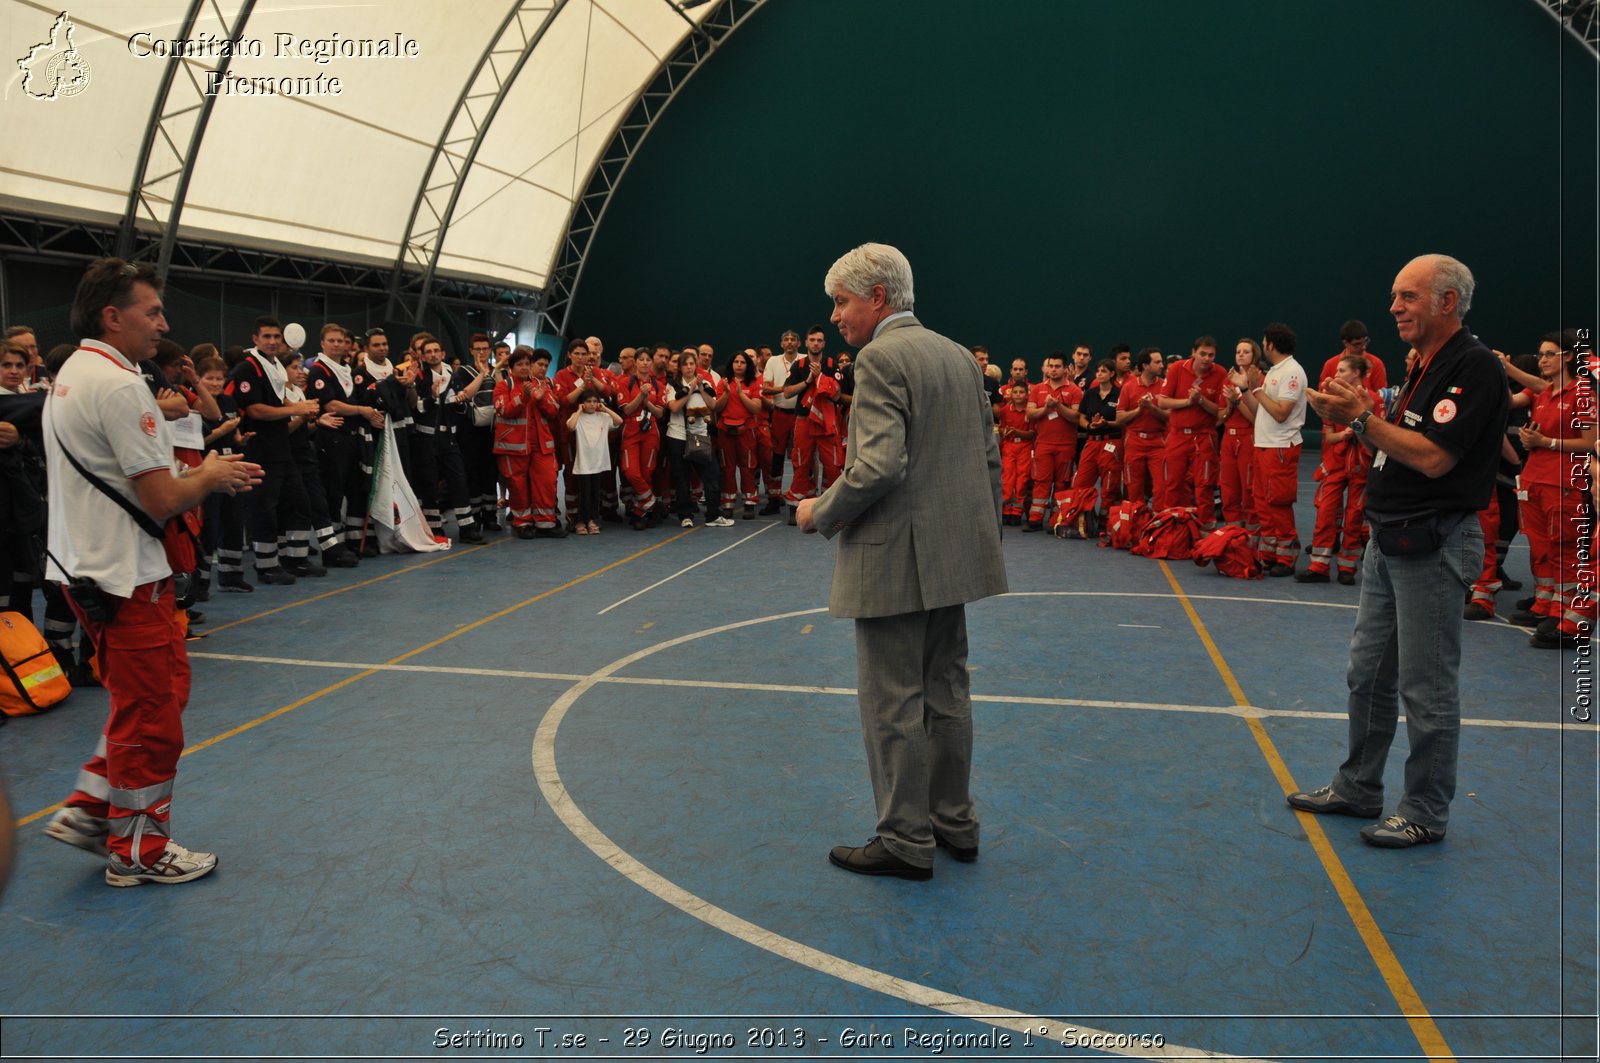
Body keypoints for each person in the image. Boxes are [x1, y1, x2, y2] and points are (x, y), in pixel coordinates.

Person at [41, 258, 261, 886]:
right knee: (153, 714)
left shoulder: (76, 373)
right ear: (112, 316)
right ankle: (138, 850)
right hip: (121, 576)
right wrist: (211, 475)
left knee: (161, 692)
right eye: (152, 311)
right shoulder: (117, 385)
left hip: (94, 567)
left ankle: (91, 810)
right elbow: (163, 497)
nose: (163, 324)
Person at [796, 243, 1006, 881]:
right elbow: (989, 460)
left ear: (878, 297)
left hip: (894, 560)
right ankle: (953, 821)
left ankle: (905, 840)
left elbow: (880, 465)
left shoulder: (879, 358)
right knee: (947, 693)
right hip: (954, 554)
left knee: (892, 703)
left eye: (842, 301)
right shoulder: (957, 357)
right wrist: (979, 538)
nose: (836, 316)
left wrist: (819, 511)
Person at [1293, 254, 1508, 848]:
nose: (1394, 307)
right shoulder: (1424, 365)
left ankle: (1426, 810)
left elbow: (1436, 457)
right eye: (1395, 295)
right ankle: (1359, 786)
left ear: (1446, 302)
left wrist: (1360, 418)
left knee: (1426, 687)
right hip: (1389, 541)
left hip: (1434, 543)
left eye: (1407, 297)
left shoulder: (1475, 368)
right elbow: (1402, 440)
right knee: (1367, 675)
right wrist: (1359, 414)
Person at [1234, 323, 1307, 576]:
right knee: (1262, 502)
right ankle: (1268, 554)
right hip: (1264, 445)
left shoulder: (1292, 372)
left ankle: (1286, 558)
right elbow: (1260, 410)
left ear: (1271, 345)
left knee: (1278, 503)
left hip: (1280, 448)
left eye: (1264, 342)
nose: (1262, 346)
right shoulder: (1276, 370)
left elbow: (1280, 413)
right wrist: (1245, 390)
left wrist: (1255, 387)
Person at [1155, 336, 1225, 524]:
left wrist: (1201, 400)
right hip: (1177, 435)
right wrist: (1187, 402)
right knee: (1173, 484)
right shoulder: (1178, 368)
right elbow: (1162, 401)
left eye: (1211, 355)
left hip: (1204, 436)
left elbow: (1220, 411)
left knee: (1204, 486)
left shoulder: (1220, 373)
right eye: (1202, 354)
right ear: (1193, 353)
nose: (1207, 358)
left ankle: (1205, 530)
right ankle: (1172, 527)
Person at [1024, 352, 1082, 530]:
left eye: (1057, 366)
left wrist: (1058, 406)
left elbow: (1076, 417)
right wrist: (1046, 408)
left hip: (1066, 445)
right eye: (1051, 366)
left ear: (1065, 369)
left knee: (1062, 483)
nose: (1053, 370)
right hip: (1043, 444)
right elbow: (1030, 413)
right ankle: (1035, 518)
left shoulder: (1074, 390)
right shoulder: (1037, 389)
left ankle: (1056, 520)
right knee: (1041, 481)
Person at [1217, 339, 1260, 535]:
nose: (1241, 355)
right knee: (1228, 489)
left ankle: (1251, 535)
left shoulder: (1258, 380)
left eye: (1246, 351)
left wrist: (1238, 402)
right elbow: (1221, 417)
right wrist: (1228, 406)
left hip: (1248, 438)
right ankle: (1232, 534)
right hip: (1228, 437)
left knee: (1248, 488)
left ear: (1255, 355)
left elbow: (1256, 418)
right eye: (1238, 351)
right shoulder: (1228, 379)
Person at [1113, 347, 1167, 505]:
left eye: (1161, 361)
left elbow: (1170, 416)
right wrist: (1138, 410)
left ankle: (1159, 524)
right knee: (1134, 487)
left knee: (1161, 487)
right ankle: (1136, 522)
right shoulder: (1129, 387)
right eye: (1157, 362)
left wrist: (1152, 408)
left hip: (1158, 442)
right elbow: (1120, 417)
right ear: (1145, 366)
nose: (1162, 365)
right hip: (1134, 441)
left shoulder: (1164, 386)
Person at [566, 391, 623, 535]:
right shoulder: (578, 417)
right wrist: (579, 410)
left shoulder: (603, 417)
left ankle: (592, 520)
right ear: (582, 403)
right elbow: (570, 426)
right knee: (584, 494)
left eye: (594, 401)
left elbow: (619, 421)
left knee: (595, 494)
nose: (592, 404)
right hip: (584, 463)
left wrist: (605, 408)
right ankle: (581, 521)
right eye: (588, 401)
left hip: (598, 463)